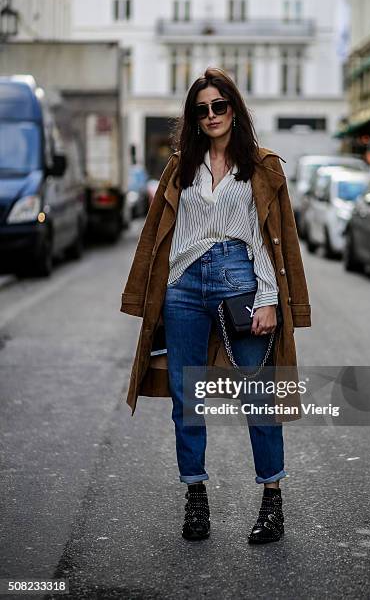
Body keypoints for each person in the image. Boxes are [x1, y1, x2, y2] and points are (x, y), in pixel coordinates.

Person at [120, 66, 312, 544]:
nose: (211, 115)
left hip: (239, 281)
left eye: (219, 106)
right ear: (194, 116)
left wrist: (268, 298)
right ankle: (195, 498)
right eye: (201, 109)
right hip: (184, 285)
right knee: (187, 400)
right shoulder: (181, 165)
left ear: (234, 109)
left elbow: (269, 240)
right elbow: (163, 236)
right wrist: (157, 293)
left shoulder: (262, 166)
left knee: (257, 395)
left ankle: (272, 502)